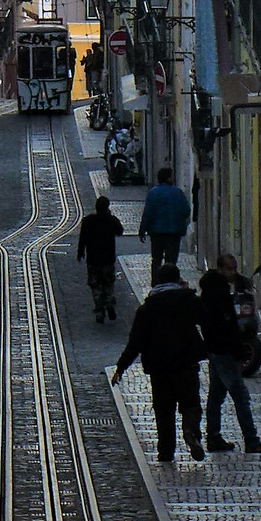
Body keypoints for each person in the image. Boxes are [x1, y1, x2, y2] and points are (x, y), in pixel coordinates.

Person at [110, 263, 208, 462]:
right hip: (186, 365)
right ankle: (190, 431)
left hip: (159, 368)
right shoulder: (188, 301)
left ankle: (165, 452)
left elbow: (135, 342)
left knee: (164, 410)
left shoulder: (147, 308)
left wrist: (121, 368)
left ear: (158, 281)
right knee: (191, 405)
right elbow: (207, 321)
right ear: (178, 279)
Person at [198, 255, 261, 454]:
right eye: (229, 269)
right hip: (223, 351)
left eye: (234, 268)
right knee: (240, 395)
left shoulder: (217, 287)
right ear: (220, 269)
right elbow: (224, 323)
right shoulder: (216, 291)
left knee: (216, 395)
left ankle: (213, 437)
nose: (232, 273)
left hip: (216, 349)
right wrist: (235, 347)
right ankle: (251, 440)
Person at [76, 195, 125, 324]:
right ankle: (109, 302)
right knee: (108, 283)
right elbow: (120, 231)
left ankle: (99, 310)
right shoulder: (111, 220)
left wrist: (80, 252)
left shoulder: (88, 221)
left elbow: (83, 238)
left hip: (93, 259)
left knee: (95, 285)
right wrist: (110, 216)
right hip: (108, 258)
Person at [138, 167, 191, 280]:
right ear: (168, 178)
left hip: (156, 232)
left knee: (156, 259)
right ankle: (169, 281)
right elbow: (186, 210)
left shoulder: (153, 193)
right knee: (171, 260)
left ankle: (156, 282)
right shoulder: (177, 192)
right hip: (173, 232)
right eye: (172, 175)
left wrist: (142, 230)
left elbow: (147, 213)